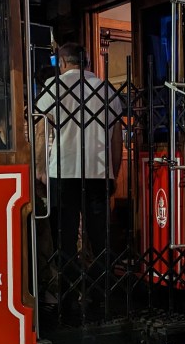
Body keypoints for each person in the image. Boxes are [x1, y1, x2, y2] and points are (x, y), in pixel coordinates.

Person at [35, 43, 123, 297]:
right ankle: (102, 292)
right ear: (86, 62)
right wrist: (112, 174)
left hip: (63, 173)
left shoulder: (55, 88)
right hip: (98, 174)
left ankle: (70, 293)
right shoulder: (106, 91)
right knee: (100, 239)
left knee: (64, 238)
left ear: (62, 63)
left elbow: (41, 130)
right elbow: (116, 139)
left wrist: (40, 169)